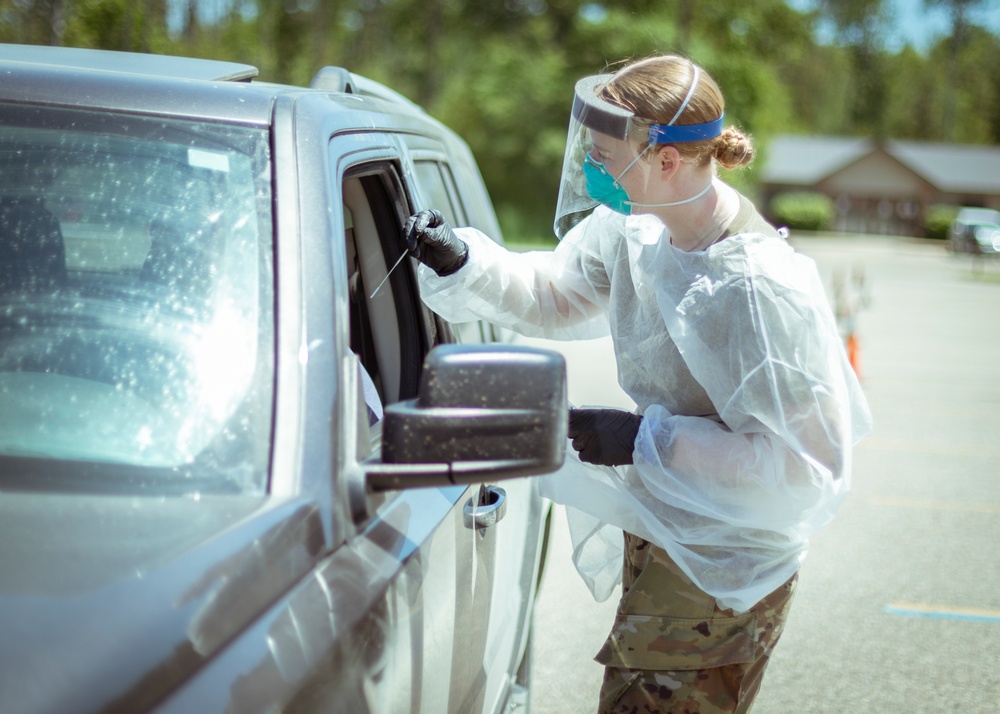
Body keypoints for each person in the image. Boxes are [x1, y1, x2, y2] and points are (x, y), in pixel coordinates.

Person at [404, 54, 872, 714]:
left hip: (727, 563)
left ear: (666, 161)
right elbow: (556, 294)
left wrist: (646, 438)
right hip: (669, 531)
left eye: (602, 154)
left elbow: (804, 469)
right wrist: (466, 262)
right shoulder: (637, 225)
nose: (591, 168)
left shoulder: (760, 289)